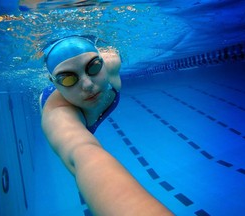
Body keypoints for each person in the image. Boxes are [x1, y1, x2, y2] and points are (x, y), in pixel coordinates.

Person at [40, 35, 173, 215]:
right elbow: (83, 152)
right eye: (68, 78)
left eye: (93, 66)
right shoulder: (59, 113)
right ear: (53, 82)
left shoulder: (110, 64)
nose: (87, 84)